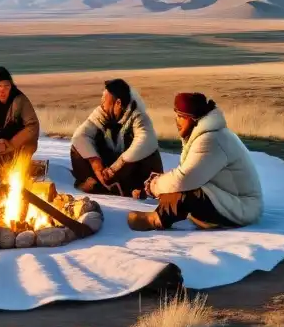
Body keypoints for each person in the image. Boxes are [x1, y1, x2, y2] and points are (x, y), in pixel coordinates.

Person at [127, 92, 263, 231]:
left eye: (181, 116)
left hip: (242, 208)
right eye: (176, 115)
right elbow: (189, 174)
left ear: (194, 119)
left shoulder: (211, 140)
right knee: (178, 186)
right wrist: (155, 185)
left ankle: (156, 219)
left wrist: (154, 186)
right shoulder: (207, 135)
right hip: (229, 198)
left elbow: (184, 179)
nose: (176, 121)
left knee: (186, 191)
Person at [70, 78, 163, 197]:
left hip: (129, 172)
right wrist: (95, 162)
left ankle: (139, 190)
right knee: (77, 148)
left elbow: (144, 140)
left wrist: (116, 167)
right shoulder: (102, 112)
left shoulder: (138, 115)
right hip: (107, 170)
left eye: (104, 100)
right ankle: (96, 184)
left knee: (149, 151)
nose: (101, 103)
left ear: (118, 103)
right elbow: (80, 136)